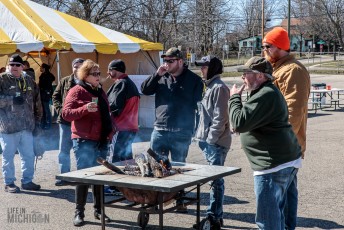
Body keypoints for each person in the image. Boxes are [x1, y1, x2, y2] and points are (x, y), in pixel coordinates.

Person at [228, 56, 302, 230]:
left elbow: (239, 122)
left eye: (246, 73)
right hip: (283, 161)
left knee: (268, 221)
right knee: (280, 216)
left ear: (260, 76)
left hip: (272, 166)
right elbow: (249, 121)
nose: (243, 77)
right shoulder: (265, 92)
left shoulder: (265, 94)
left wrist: (234, 99)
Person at [262, 27, 310, 230]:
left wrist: (279, 143)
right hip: (285, 147)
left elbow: (293, 110)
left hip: (284, 148)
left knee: (276, 201)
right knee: (286, 196)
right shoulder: (279, 68)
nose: (263, 50)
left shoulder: (292, 70)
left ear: (280, 47)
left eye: (267, 46)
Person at [62, 59, 113, 227]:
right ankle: (79, 213)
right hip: (84, 139)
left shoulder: (100, 91)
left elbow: (107, 113)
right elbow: (66, 114)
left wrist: (111, 130)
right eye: (95, 74)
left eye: (99, 73)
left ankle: (99, 211)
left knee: (99, 176)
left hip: (101, 139)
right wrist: (84, 109)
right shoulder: (77, 91)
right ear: (85, 75)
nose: (98, 76)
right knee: (84, 177)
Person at [141, 47, 203, 163]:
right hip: (160, 130)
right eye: (165, 61)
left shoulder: (194, 80)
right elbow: (145, 90)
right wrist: (157, 74)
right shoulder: (161, 77)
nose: (166, 64)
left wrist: (197, 130)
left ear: (180, 61)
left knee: (178, 166)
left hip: (182, 132)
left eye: (170, 61)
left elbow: (199, 107)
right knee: (155, 165)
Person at [194, 55, 231, 229]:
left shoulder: (219, 88)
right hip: (208, 142)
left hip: (216, 144)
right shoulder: (209, 86)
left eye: (204, 66)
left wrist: (210, 140)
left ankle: (213, 217)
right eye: (201, 66)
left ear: (213, 68)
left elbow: (220, 118)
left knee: (216, 181)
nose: (201, 69)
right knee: (214, 181)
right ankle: (216, 215)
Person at [0, 54, 43, 193]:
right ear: (8, 66)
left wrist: (38, 122)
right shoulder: (2, 79)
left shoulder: (29, 80)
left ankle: (27, 181)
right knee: (8, 156)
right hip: (8, 127)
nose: (14, 67)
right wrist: (10, 100)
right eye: (12, 64)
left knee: (28, 155)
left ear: (23, 66)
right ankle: (9, 182)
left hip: (27, 126)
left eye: (17, 65)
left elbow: (38, 102)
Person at [52, 58, 84, 186]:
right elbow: (55, 96)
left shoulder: (90, 81)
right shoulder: (65, 81)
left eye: (80, 66)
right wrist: (60, 110)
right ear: (72, 68)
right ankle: (64, 176)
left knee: (81, 150)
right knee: (64, 150)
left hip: (82, 122)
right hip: (65, 122)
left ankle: (81, 177)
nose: (77, 69)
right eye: (75, 66)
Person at [106, 59, 140, 163]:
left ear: (116, 70)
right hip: (131, 128)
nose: (108, 73)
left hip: (121, 128)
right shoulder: (130, 83)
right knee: (127, 159)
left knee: (115, 161)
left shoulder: (121, 83)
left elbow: (114, 107)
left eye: (110, 70)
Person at [39, 63, 55, 129]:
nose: (40, 68)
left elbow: (47, 86)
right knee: (44, 109)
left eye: (41, 67)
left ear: (44, 68)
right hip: (44, 94)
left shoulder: (46, 76)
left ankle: (48, 124)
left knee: (46, 109)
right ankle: (45, 123)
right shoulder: (44, 75)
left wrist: (46, 92)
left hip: (45, 95)